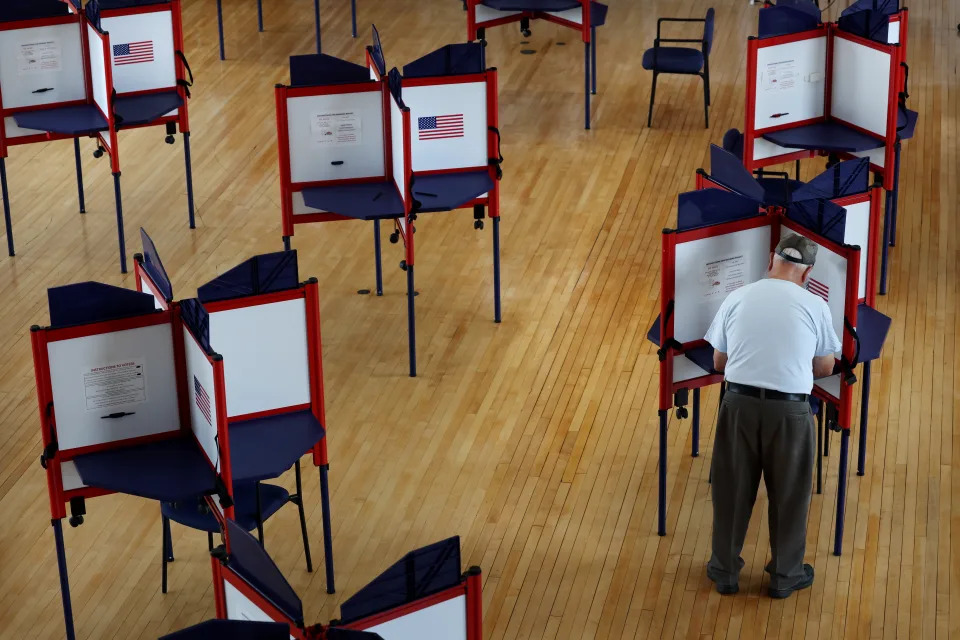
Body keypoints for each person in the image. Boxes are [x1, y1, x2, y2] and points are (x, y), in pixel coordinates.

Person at [703, 233, 841, 599]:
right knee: (790, 495)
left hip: (738, 406)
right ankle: (784, 576)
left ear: (770, 259)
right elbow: (826, 365)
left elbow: (719, 362)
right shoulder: (816, 305)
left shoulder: (737, 297)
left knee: (731, 491)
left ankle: (724, 571)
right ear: (807, 273)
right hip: (792, 414)